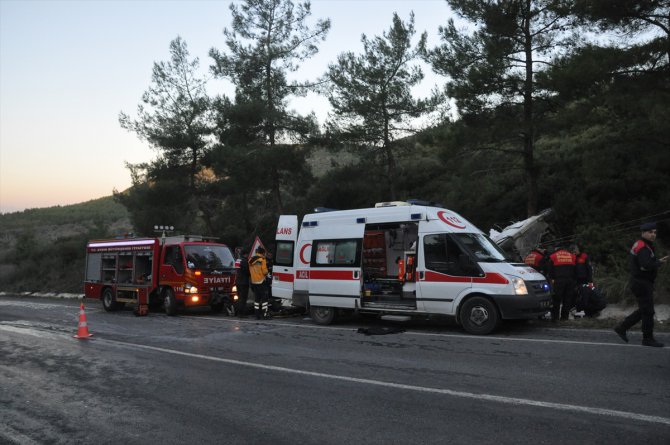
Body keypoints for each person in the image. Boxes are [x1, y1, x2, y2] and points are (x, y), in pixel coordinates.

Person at [614, 222, 668, 347]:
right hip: (641, 283)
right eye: (650, 232)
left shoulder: (643, 245)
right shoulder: (643, 246)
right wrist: (658, 264)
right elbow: (645, 265)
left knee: (645, 309)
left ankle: (622, 327)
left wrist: (657, 261)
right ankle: (647, 339)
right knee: (648, 311)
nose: (653, 234)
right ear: (643, 233)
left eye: (654, 232)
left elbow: (645, 263)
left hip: (641, 282)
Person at [546, 246, 577, 321]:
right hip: (570, 280)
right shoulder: (572, 256)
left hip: (558, 281)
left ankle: (555, 318)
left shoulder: (553, 256)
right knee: (567, 299)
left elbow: (550, 270)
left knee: (556, 299)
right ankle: (564, 318)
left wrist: (551, 279)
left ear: (557, 250)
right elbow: (576, 269)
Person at [249, 246, 270, 320]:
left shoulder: (251, 260)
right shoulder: (262, 260)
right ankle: (264, 315)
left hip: (254, 282)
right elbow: (264, 271)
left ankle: (257, 315)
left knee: (257, 300)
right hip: (261, 281)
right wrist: (268, 271)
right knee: (264, 299)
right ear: (263, 253)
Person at [235, 248, 250, 317]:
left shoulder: (237, 260)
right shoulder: (245, 261)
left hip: (238, 281)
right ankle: (242, 313)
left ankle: (238, 312)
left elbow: (237, 270)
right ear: (246, 254)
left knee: (239, 297)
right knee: (243, 298)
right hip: (244, 281)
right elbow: (247, 271)